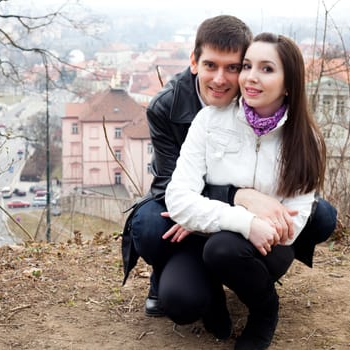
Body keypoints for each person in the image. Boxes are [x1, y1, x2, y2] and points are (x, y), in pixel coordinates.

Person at [120, 13, 336, 335]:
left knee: (321, 215)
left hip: (238, 228)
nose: (223, 79)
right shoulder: (175, 109)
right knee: (152, 227)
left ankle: (252, 283)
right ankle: (172, 276)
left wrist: (263, 217)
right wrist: (240, 198)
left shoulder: (282, 119)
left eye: (235, 67)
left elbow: (293, 201)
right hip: (188, 207)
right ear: (194, 62)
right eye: (211, 66)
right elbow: (171, 188)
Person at [164, 32, 329, 349]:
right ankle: (211, 293)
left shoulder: (306, 138)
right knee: (180, 301)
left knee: (224, 250)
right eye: (248, 66)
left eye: (267, 69)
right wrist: (244, 220)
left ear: (289, 82)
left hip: (270, 243)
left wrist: (257, 228)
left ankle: (265, 310)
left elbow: (293, 222)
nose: (251, 78)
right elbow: (179, 200)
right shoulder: (210, 121)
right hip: (206, 233)